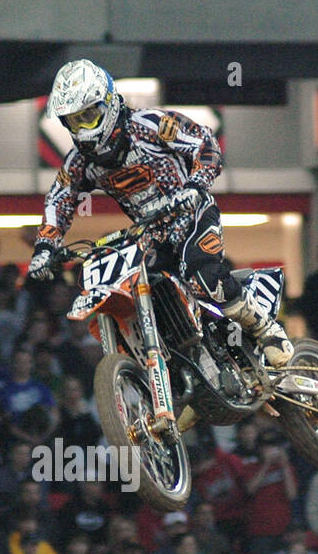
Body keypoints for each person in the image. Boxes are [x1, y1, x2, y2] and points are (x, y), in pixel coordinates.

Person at [28, 59, 293, 367]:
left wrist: (196, 183)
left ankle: (266, 329)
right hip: (150, 235)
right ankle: (189, 366)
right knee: (147, 293)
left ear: (110, 103)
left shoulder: (150, 125)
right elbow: (59, 199)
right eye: (74, 121)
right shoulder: (80, 162)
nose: (84, 128)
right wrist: (45, 247)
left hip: (191, 213)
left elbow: (204, 142)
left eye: (89, 115)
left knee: (202, 277)